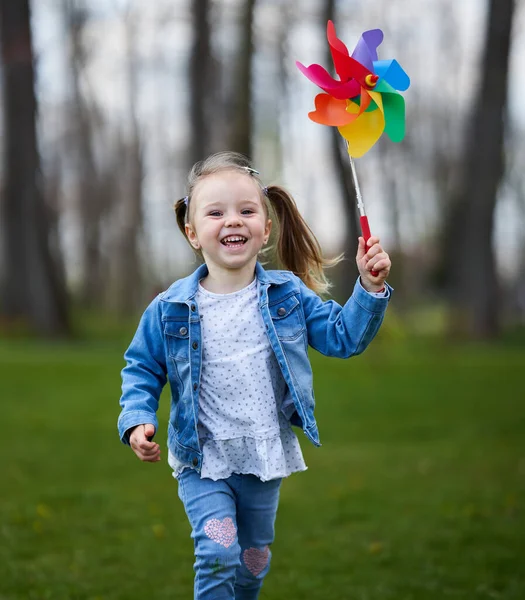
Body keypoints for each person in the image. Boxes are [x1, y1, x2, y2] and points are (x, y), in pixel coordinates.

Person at [117, 151, 392, 599]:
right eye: (216, 212)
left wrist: (371, 288)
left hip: (264, 456)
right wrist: (136, 419)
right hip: (202, 459)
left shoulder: (287, 296)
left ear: (265, 227)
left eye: (247, 211)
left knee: (251, 563)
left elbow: (344, 337)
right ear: (192, 232)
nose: (233, 221)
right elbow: (142, 367)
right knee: (217, 552)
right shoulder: (170, 307)